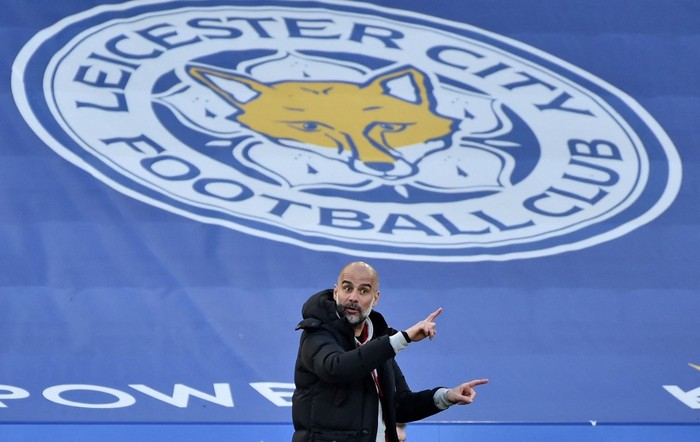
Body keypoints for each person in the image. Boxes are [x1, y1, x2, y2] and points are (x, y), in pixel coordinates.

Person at [292, 261, 489, 442]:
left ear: (375, 298)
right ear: (336, 293)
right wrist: (403, 338)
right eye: (347, 288)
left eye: (363, 291)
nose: (353, 297)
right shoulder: (317, 333)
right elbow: (337, 367)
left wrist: (446, 397)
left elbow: (398, 406)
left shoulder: (377, 340)